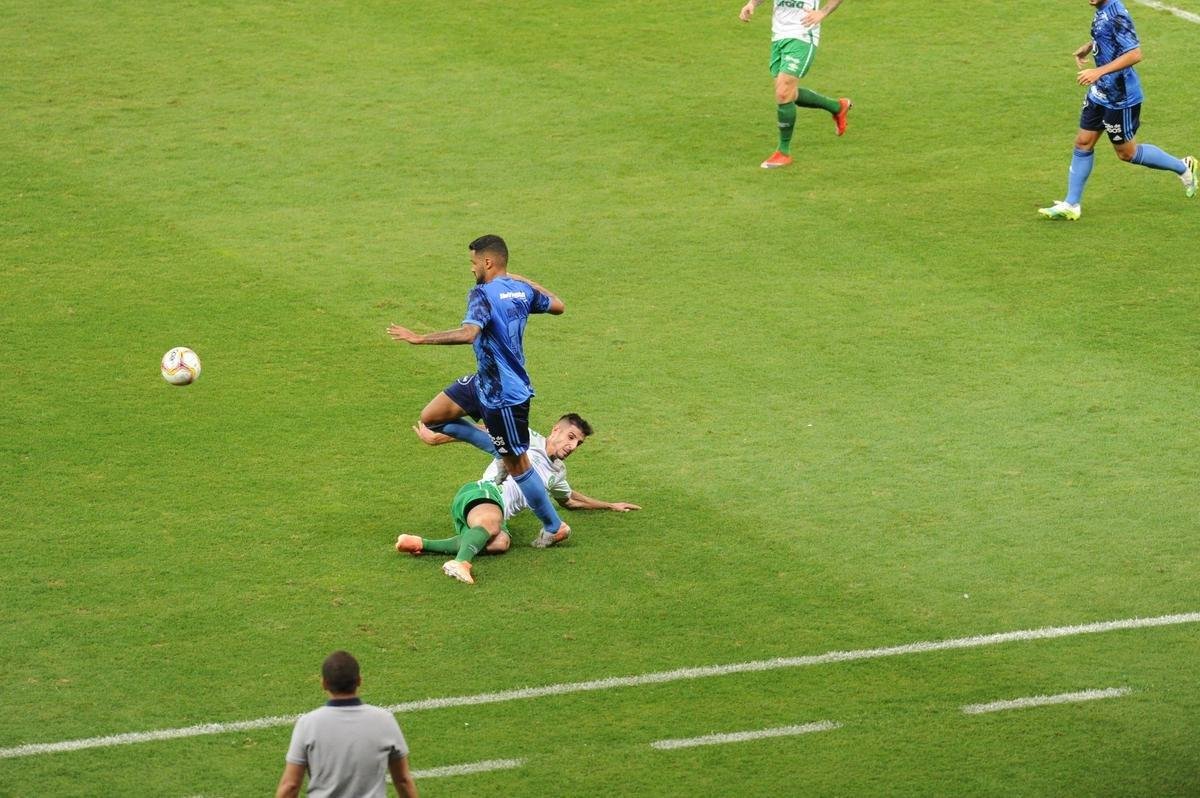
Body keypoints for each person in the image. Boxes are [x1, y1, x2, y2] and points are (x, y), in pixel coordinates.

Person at [387, 234, 572, 546]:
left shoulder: (482, 294)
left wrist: (420, 338)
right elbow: (558, 305)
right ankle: (496, 448)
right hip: (482, 382)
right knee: (432, 417)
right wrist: (515, 277)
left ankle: (554, 526)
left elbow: (469, 333)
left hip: (505, 396)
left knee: (518, 466)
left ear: (488, 262)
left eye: (474, 263)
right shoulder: (521, 290)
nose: (472, 269)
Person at [397, 408, 641, 553]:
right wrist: (437, 439)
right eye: (570, 436)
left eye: (578, 443)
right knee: (491, 528)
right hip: (485, 495)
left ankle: (423, 544)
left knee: (500, 543)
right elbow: (483, 431)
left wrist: (610, 505)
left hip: (499, 516)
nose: (573, 446)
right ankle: (454, 559)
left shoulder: (558, 472)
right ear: (555, 429)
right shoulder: (526, 437)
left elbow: (570, 500)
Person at [1039, 0, 1196, 220]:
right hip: (1101, 92)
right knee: (1083, 142)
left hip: (1120, 97)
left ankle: (1183, 166)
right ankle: (1071, 204)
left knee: (1127, 153)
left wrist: (1098, 72)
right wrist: (1091, 46)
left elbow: (1134, 54)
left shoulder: (1117, 13)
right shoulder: (1102, 10)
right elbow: (1109, 38)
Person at [276, 651, 418, 798]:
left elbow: (290, 786)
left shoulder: (308, 724)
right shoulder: (384, 720)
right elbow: (402, 781)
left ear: (324, 683)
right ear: (359, 681)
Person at [739, 0, 852, 169]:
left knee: (783, 93)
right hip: (779, 36)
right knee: (786, 92)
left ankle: (783, 152)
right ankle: (837, 107)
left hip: (803, 35)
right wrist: (752, 4)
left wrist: (823, 12)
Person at [398, 478, 511, 584]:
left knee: (500, 542)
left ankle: (421, 544)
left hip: (496, 510)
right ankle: (461, 562)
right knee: (489, 523)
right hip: (485, 491)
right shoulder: (524, 463)